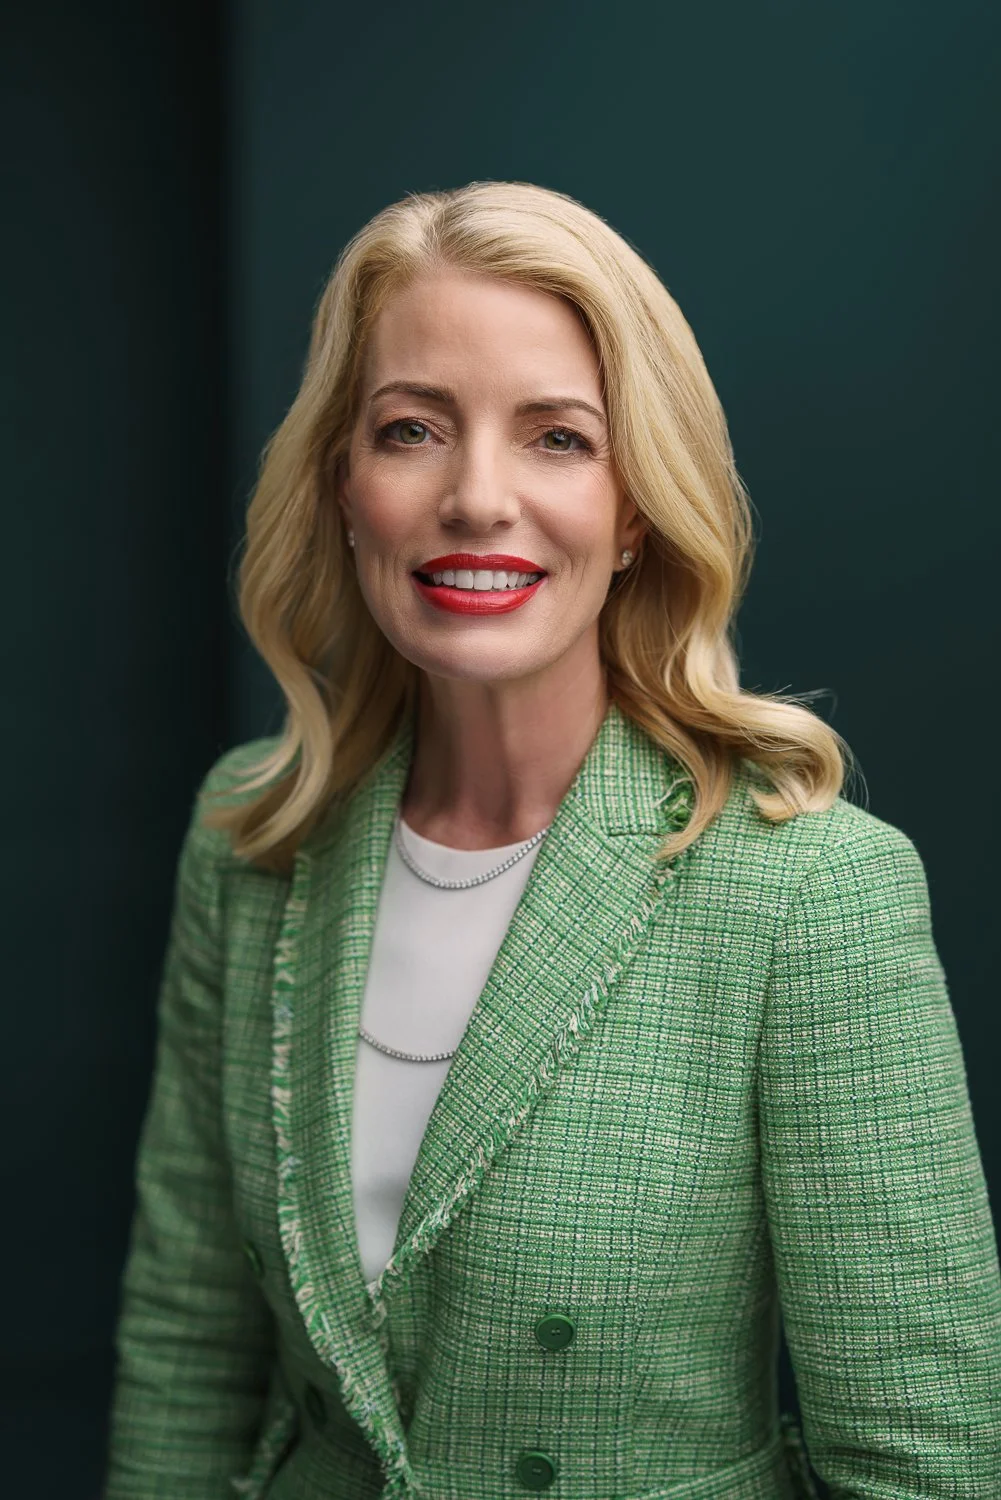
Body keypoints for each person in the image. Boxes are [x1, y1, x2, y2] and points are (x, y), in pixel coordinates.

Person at [102, 180, 1001, 1500]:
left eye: (559, 439)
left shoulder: (810, 890)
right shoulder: (253, 838)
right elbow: (187, 1360)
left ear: (637, 507)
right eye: (413, 430)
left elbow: (922, 1464)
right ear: (343, 483)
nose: (477, 498)